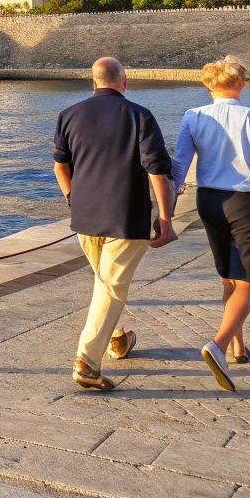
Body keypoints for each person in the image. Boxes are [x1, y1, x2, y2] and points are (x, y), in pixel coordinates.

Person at [53, 57, 177, 391]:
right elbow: (157, 172)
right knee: (111, 286)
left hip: (84, 217)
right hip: (126, 216)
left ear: (93, 82)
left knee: (106, 282)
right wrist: (165, 218)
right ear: (124, 82)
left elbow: (60, 166)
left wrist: (72, 198)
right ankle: (86, 361)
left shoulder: (68, 115)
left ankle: (117, 339)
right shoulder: (139, 116)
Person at [170, 56, 250, 393]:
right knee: (246, 282)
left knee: (228, 278)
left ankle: (239, 345)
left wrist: (168, 210)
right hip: (247, 201)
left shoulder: (193, 116)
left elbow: (179, 167)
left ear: (209, 86)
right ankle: (218, 345)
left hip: (210, 201)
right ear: (240, 84)